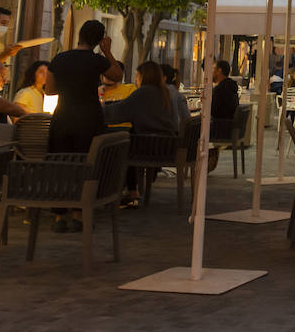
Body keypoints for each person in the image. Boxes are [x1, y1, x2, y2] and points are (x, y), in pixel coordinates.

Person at [46, 20, 122, 233]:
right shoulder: (96, 60)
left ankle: (60, 215)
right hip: (89, 118)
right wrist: (108, 51)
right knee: (86, 164)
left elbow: (50, 90)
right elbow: (117, 75)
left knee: (60, 164)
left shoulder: (59, 59)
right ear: (99, 39)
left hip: (63, 116)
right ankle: (80, 214)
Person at [104, 61, 178, 207]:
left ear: (144, 76)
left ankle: (110, 190)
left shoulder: (143, 93)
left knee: (116, 143)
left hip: (149, 146)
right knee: (125, 138)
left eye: (137, 76)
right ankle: (132, 192)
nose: (136, 79)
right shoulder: (163, 93)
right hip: (164, 144)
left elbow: (118, 112)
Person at [161, 64, 191, 132]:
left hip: (154, 138)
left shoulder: (155, 93)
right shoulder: (177, 95)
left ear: (163, 78)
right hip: (174, 137)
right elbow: (187, 119)